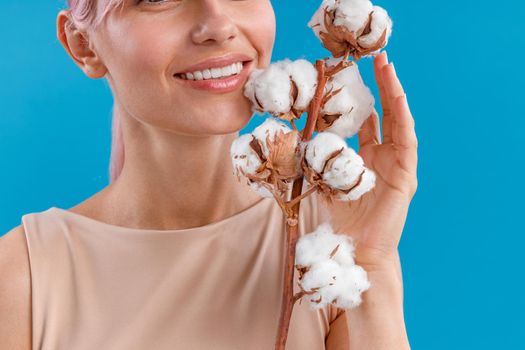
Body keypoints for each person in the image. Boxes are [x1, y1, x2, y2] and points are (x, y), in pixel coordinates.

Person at [0, 0, 418, 349]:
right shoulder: (23, 276)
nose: (218, 24)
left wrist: (372, 265)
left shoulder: (328, 245)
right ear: (82, 45)